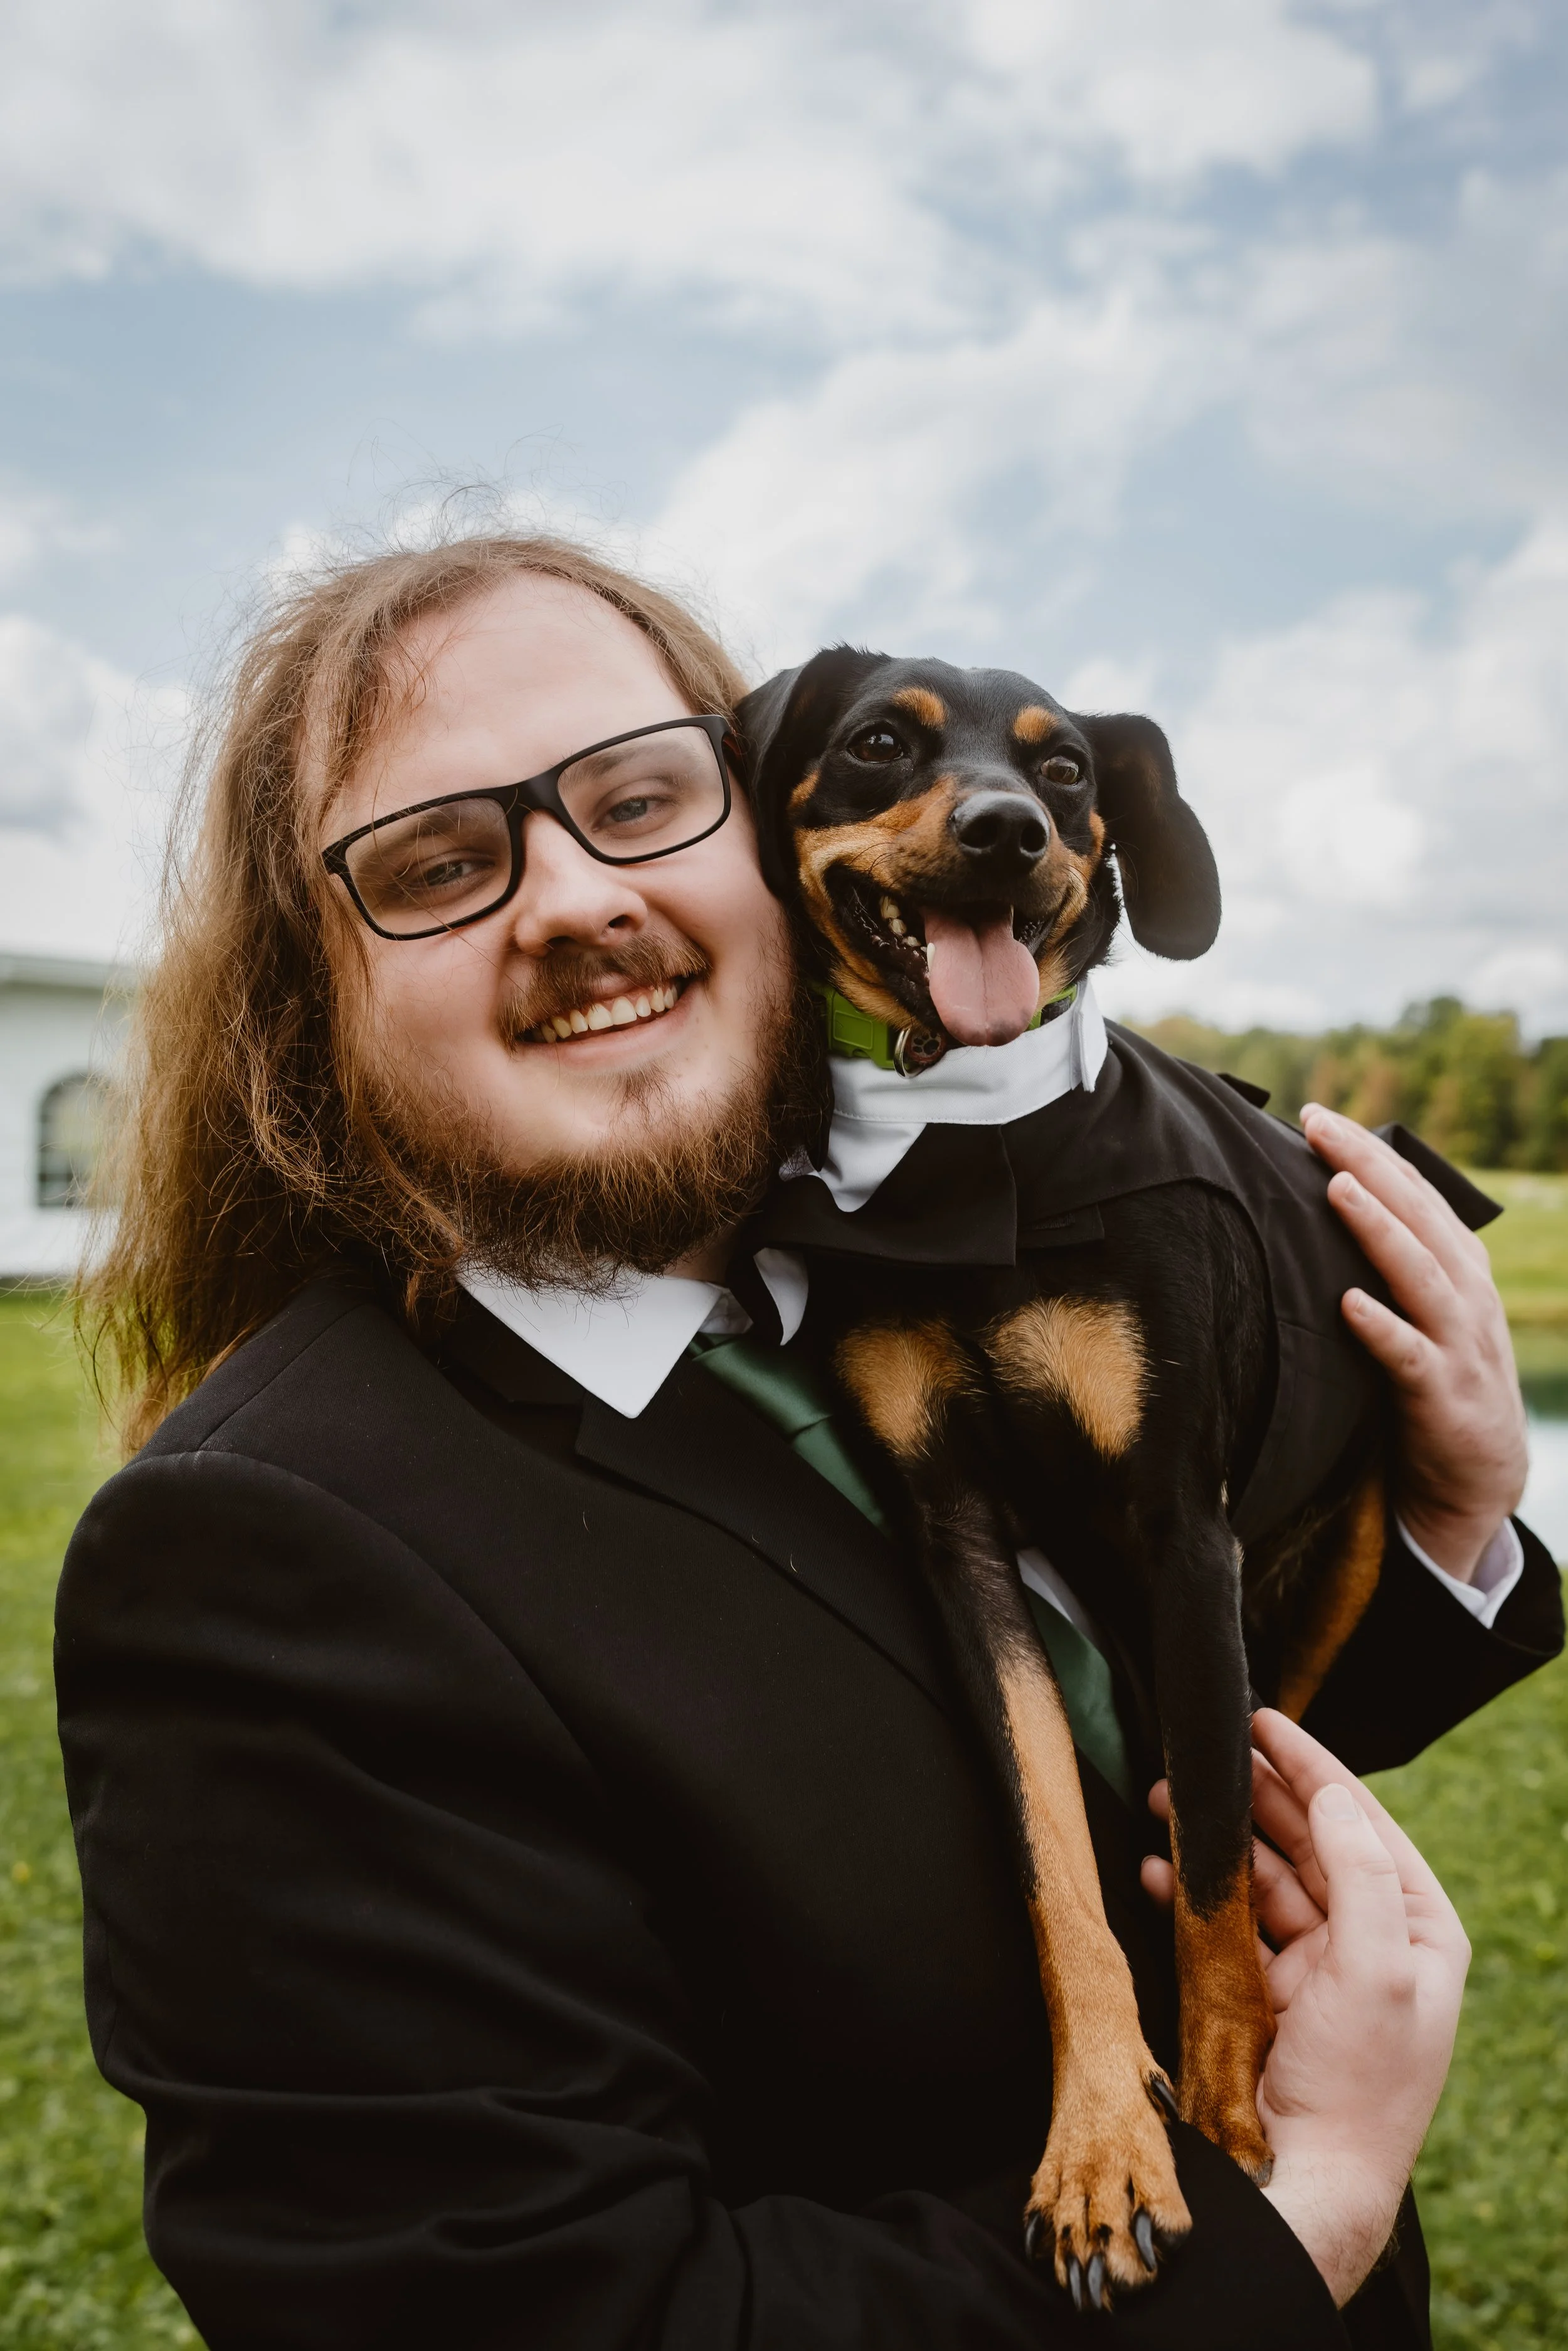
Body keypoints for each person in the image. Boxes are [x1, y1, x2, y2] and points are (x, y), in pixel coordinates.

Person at [58, 536, 1562, 2351]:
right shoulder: (262, 1558)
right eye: (441, 862)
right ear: (309, 997)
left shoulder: (899, 1276)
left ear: (758, 831)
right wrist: (1299, 2211)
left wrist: (1456, 1509)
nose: (568, 897)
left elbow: (1134, 1741)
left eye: (637, 798)